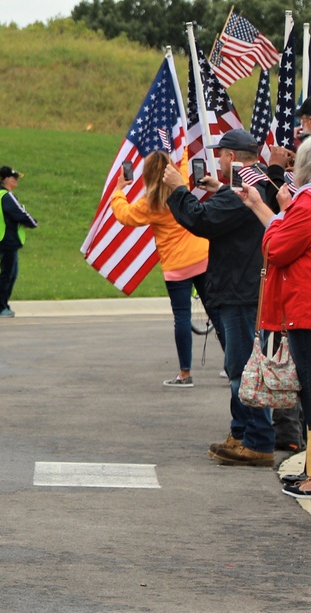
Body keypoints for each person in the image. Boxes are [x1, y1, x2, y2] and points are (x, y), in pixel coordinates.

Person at [163, 128, 274, 467]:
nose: (218, 159)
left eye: (221, 154)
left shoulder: (243, 190)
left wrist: (178, 189)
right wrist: (220, 189)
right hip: (242, 288)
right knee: (239, 366)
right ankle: (241, 433)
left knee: (241, 369)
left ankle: (256, 441)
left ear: (231, 156)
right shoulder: (257, 185)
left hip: (239, 292)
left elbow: (202, 220)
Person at [237, 144, 311, 495]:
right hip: (301, 309)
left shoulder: (307, 205)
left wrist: (279, 213)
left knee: (310, 393)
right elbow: (282, 235)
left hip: (305, 310)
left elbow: (277, 247)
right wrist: (259, 206)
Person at [110, 151, 219, 387]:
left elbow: (124, 215)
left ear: (147, 175)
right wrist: (181, 147)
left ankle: (185, 373)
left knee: (182, 316)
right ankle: (234, 365)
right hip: (201, 256)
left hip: (176, 265)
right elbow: (184, 158)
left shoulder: (150, 203)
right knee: (217, 310)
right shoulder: (181, 185)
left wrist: (118, 191)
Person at [0, 166, 37, 318]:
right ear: (7, 180)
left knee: (12, 273)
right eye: (14, 178)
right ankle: (0, 307)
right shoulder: (6, 196)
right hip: (6, 239)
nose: (16, 181)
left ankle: (3, 304)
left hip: (3, 239)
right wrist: (33, 222)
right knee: (8, 274)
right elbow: (20, 213)